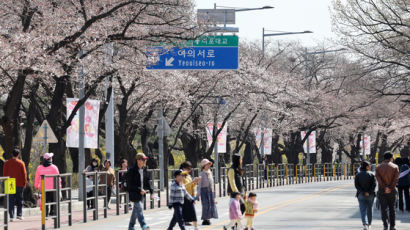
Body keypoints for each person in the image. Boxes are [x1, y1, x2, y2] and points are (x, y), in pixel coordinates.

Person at [127, 153, 153, 230]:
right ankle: (143, 225)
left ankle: (131, 226)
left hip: (142, 193)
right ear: (138, 160)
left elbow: (147, 182)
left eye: (145, 159)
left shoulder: (144, 169)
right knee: (139, 208)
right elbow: (130, 185)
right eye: (143, 159)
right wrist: (139, 189)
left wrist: (151, 192)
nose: (144, 161)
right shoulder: (132, 171)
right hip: (134, 193)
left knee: (136, 210)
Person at [375, 152, 399, 230]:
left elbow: (378, 179)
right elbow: (396, 179)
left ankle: (385, 225)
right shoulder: (395, 167)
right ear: (391, 158)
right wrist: (390, 188)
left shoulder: (378, 167)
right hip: (392, 191)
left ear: (384, 158)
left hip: (382, 190)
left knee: (383, 209)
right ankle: (392, 226)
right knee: (392, 208)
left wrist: (385, 187)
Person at [3, 149, 27, 221]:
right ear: (18, 154)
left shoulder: (7, 163)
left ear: (11, 154)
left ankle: (11, 216)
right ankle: (19, 215)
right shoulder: (21, 163)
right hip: (19, 182)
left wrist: (5, 182)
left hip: (9, 182)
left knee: (11, 200)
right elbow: (24, 174)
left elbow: (4, 173)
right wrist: (24, 183)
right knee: (19, 199)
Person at [34, 153, 61, 217]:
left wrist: (36, 186)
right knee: (53, 200)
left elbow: (37, 178)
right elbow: (58, 178)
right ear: (50, 159)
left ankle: (45, 213)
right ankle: (52, 211)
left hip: (43, 188)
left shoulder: (39, 168)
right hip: (53, 188)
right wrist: (59, 186)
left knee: (45, 201)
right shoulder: (54, 167)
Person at [355, 161, 376, 230]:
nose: (370, 167)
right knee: (370, 209)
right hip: (370, 194)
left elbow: (357, 185)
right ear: (367, 167)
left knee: (362, 209)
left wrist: (363, 192)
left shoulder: (358, 175)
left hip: (361, 194)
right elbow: (374, 185)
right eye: (369, 165)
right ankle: (369, 224)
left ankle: (365, 223)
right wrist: (369, 192)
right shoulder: (372, 174)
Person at [180, 161, 200, 230]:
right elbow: (182, 186)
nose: (189, 170)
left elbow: (191, 186)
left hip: (189, 196)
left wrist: (195, 182)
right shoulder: (180, 176)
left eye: (190, 169)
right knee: (189, 212)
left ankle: (190, 224)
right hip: (184, 196)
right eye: (188, 169)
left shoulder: (188, 176)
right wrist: (192, 182)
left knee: (191, 212)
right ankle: (194, 226)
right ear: (183, 168)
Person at [197, 159, 218, 225]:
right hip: (204, 191)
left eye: (209, 164)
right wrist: (198, 193)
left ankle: (207, 219)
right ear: (204, 166)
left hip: (210, 191)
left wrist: (213, 191)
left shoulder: (210, 172)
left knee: (210, 205)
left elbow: (212, 183)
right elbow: (199, 184)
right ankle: (205, 219)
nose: (209, 165)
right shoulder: (202, 173)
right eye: (207, 164)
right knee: (205, 205)